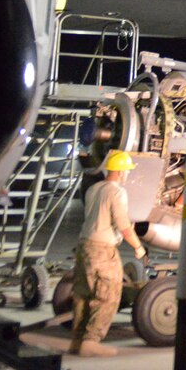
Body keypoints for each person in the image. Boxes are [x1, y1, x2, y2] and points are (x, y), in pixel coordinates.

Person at [70, 150, 146, 357]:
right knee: (108, 294)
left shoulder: (93, 189)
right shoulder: (117, 192)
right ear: (121, 172)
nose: (127, 174)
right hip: (102, 249)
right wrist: (138, 247)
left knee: (83, 294)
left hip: (84, 245)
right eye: (127, 171)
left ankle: (77, 341)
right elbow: (123, 225)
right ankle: (91, 341)